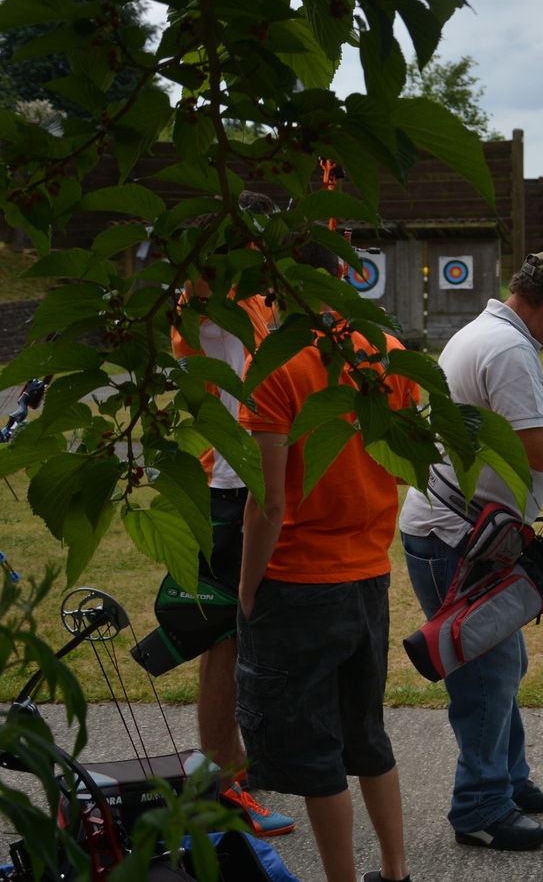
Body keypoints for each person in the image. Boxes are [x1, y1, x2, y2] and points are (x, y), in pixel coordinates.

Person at [397, 251, 543, 852]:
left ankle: (508, 781)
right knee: (485, 677)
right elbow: (538, 447)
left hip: (463, 531)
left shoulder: (484, 334)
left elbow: (502, 446)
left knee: (503, 664)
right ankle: (479, 806)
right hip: (457, 539)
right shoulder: (510, 348)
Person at [236, 241, 419, 882]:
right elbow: (403, 465)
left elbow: (268, 501)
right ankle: (395, 872)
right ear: (342, 278)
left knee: (316, 755)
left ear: (277, 286)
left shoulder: (274, 364)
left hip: (297, 580)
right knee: (366, 737)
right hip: (368, 574)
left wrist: (248, 589)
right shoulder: (385, 351)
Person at [168, 191, 296, 837]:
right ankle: (222, 782)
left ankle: (224, 767)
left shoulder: (251, 300)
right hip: (226, 487)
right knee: (228, 638)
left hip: (238, 483)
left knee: (233, 636)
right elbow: (196, 282)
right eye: (255, 239)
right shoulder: (211, 303)